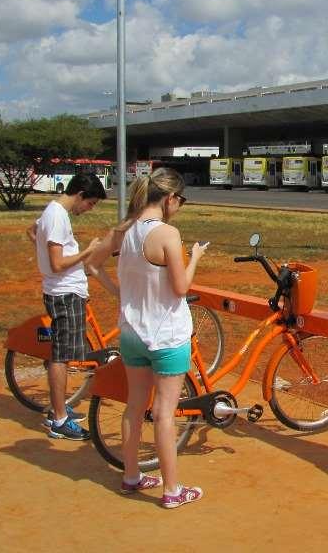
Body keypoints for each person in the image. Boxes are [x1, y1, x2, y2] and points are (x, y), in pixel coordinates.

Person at [88, 167, 208, 509]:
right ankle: (172, 490)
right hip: (167, 335)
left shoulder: (123, 230)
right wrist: (195, 258)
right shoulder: (168, 234)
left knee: (135, 406)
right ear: (169, 198)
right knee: (165, 413)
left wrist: (120, 294)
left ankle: (131, 476)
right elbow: (181, 287)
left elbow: (93, 265)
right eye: (180, 200)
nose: (179, 206)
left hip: (132, 333)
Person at [29, 173, 106, 439]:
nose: (89, 209)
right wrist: (88, 251)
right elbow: (58, 264)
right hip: (65, 294)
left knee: (62, 353)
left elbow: (32, 231)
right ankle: (59, 419)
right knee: (61, 356)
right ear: (81, 195)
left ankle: (59, 410)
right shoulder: (58, 216)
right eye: (91, 203)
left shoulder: (51, 213)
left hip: (62, 290)